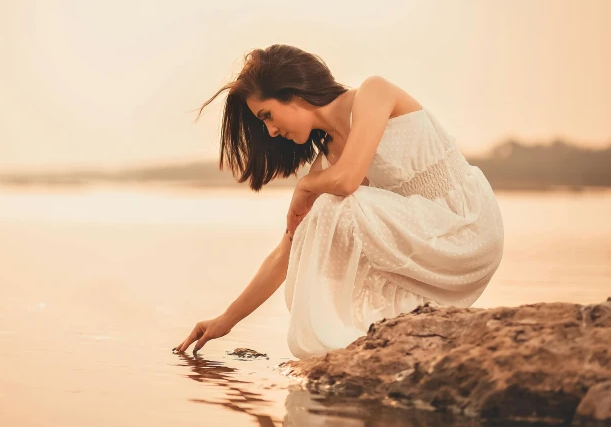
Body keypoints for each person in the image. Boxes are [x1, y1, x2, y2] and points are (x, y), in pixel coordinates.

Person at [173, 44, 505, 359]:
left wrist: (305, 187)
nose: (271, 131)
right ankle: (351, 339)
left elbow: (347, 182)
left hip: (467, 224)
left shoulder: (373, 93)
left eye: (267, 115)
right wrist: (226, 320)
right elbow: (287, 251)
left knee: (333, 207)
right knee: (314, 226)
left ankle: (340, 337)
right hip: (428, 242)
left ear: (294, 94)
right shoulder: (329, 160)